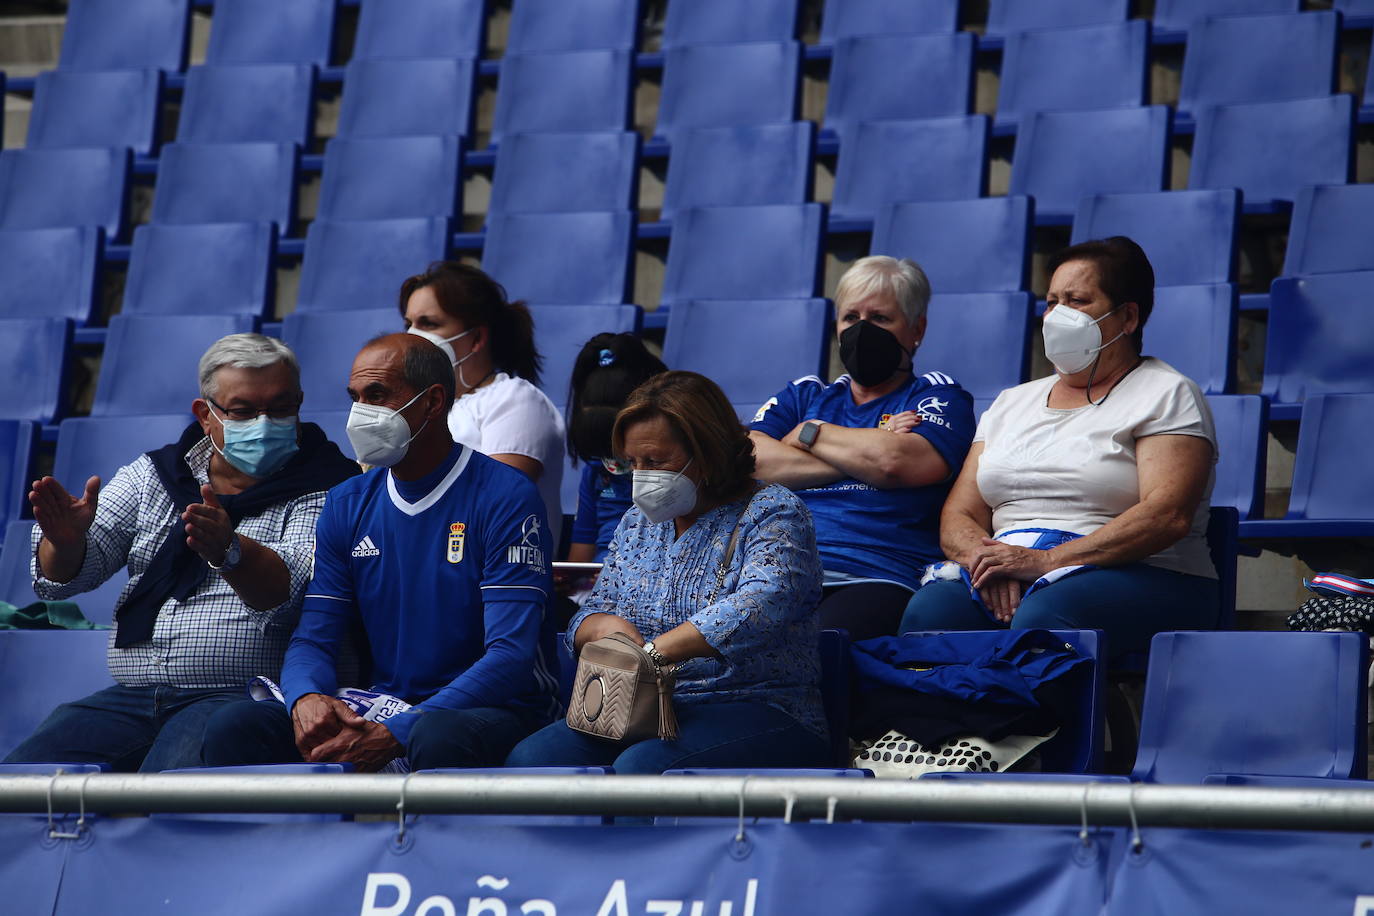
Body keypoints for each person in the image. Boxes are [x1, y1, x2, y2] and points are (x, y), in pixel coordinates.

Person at [201, 334, 559, 772]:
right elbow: (315, 637)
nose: (360, 413)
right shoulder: (347, 502)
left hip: (497, 709)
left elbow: (510, 658)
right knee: (237, 726)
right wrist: (307, 698)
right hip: (385, 703)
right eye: (354, 397)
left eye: (377, 395)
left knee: (435, 735)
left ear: (433, 402)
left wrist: (400, 730)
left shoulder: (505, 495)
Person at [3, 334, 359, 771]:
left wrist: (231, 552)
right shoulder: (157, 474)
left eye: (281, 408)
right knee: (23, 781)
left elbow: (295, 595)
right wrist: (64, 542)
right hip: (134, 697)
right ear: (205, 415)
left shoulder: (331, 485)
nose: (265, 423)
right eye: (244, 411)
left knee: (161, 794)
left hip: (244, 697)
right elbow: (66, 579)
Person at [900, 237, 1219, 658]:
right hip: (1015, 571)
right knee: (931, 613)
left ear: (1127, 317)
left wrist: (1046, 562)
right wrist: (991, 563)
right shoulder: (1011, 402)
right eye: (1052, 302)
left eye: (1077, 301)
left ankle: (1037, 708)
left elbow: (1167, 515)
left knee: (1044, 619)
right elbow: (960, 514)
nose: (1057, 315)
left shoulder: (1167, 393)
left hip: (1144, 574)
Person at [506, 371, 830, 773]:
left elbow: (761, 604)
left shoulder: (773, 512)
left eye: (656, 462)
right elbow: (594, 609)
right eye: (633, 463)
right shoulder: (637, 522)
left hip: (757, 704)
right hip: (637, 707)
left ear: (708, 452)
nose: (641, 475)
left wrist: (653, 654)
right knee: (531, 760)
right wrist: (603, 628)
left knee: (641, 768)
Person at [749, 255, 975, 640]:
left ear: (917, 329)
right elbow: (750, 462)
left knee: (810, 648)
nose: (862, 330)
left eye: (880, 318)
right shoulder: (804, 395)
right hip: (776, 567)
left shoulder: (938, 395)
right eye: (851, 317)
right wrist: (864, 444)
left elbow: (895, 462)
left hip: (875, 574)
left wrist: (807, 435)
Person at [400, 261, 565, 552]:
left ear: (476, 338)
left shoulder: (514, 399)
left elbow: (496, 505)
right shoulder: (420, 405)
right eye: (408, 324)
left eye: (429, 324)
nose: (412, 336)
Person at [564, 333, 667, 564]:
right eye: (603, 452)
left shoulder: (672, 477)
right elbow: (579, 558)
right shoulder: (594, 472)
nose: (614, 461)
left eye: (624, 453)